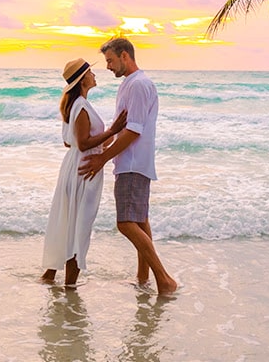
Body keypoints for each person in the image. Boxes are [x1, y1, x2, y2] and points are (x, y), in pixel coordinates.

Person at [78, 38, 178, 294]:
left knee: (125, 223)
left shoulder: (138, 85)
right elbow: (122, 127)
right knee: (140, 221)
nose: (108, 66)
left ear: (125, 56)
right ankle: (144, 278)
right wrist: (98, 145)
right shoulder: (129, 85)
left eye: (110, 60)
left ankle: (164, 280)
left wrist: (102, 158)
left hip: (132, 163)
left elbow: (134, 131)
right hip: (132, 162)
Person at [41, 58, 127, 286]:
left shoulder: (78, 105)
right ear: (82, 81)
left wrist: (113, 143)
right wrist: (113, 131)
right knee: (80, 227)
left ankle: (51, 278)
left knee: (70, 223)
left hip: (77, 167)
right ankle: (69, 288)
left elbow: (72, 144)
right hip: (83, 171)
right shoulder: (80, 105)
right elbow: (82, 143)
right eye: (90, 72)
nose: (94, 75)